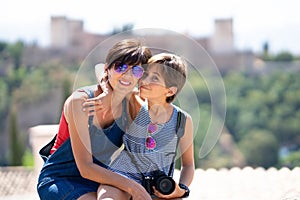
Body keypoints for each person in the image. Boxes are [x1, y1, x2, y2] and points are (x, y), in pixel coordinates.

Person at [37, 38, 153, 200]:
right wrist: (133, 187)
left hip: (102, 179)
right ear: (108, 69)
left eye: (136, 71)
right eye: (121, 67)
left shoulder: (131, 106)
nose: (128, 75)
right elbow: (85, 167)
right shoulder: (80, 102)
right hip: (62, 179)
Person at [89, 53, 195, 199]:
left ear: (170, 90)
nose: (144, 80)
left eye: (155, 78)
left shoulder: (182, 120)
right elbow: (100, 69)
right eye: (145, 74)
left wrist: (181, 190)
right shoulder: (133, 100)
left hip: (158, 187)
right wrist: (107, 92)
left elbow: (188, 165)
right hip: (122, 177)